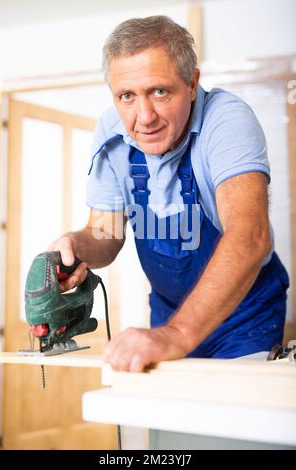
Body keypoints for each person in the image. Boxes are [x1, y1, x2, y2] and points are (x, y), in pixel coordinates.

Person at [48, 16, 289, 372]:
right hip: (169, 314)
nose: (143, 117)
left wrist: (176, 334)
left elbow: (250, 236)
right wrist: (75, 246)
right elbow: (107, 233)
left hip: (244, 319)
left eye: (159, 91)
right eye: (126, 96)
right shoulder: (111, 133)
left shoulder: (226, 121)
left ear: (192, 83)